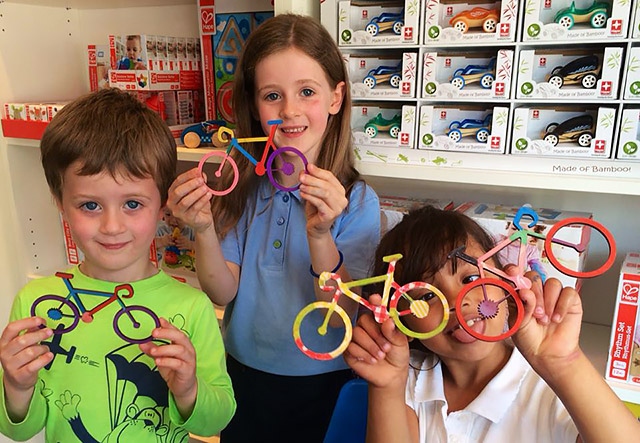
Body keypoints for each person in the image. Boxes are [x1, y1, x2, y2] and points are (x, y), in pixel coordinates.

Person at [167, 13, 380, 443]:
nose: (290, 111)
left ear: (336, 97)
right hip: (245, 373)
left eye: (307, 92)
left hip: (326, 380)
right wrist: (204, 229)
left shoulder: (356, 202)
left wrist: (320, 235)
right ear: (253, 104)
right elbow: (221, 291)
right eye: (272, 95)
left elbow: (339, 314)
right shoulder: (241, 190)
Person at [0, 88, 236, 442]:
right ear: (61, 204)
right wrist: (16, 386)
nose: (112, 226)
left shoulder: (191, 306)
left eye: (132, 204)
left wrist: (188, 390)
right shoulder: (35, 304)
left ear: (162, 207)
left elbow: (216, 420)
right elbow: (21, 427)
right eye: (90, 206)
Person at [344, 205, 640, 443]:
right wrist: (386, 388)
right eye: (425, 295)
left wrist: (564, 363)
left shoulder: (553, 389)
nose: (457, 302)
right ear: (401, 319)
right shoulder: (407, 381)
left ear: (505, 284)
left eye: (471, 279)